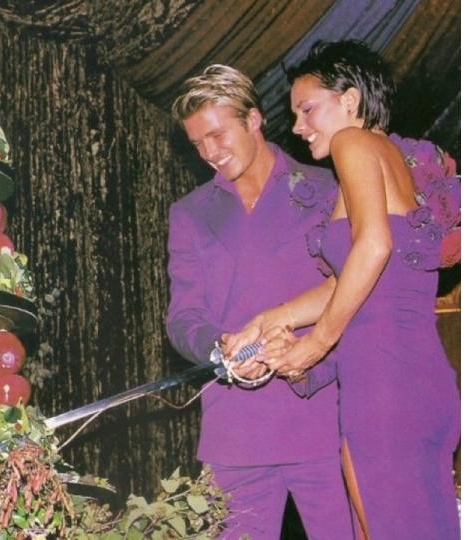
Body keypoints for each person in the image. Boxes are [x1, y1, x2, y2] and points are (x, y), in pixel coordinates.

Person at [223, 40, 461, 540]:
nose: (297, 126)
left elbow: (373, 247)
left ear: (350, 101)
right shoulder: (390, 158)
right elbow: (353, 277)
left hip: (385, 381)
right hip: (411, 377)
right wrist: (268, 322)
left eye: (308, 109)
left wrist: (317, 342)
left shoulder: (354, 144)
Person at [166, 64, 355, 539]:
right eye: (197, 144)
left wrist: (311, 362)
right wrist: (218, 349)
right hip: (235, 436)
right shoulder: (188, 214)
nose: (209, 152)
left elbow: (356, 298)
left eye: (217, 135)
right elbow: (184, 316)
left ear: (253, 120)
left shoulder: (327, 190)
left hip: (326, 423)